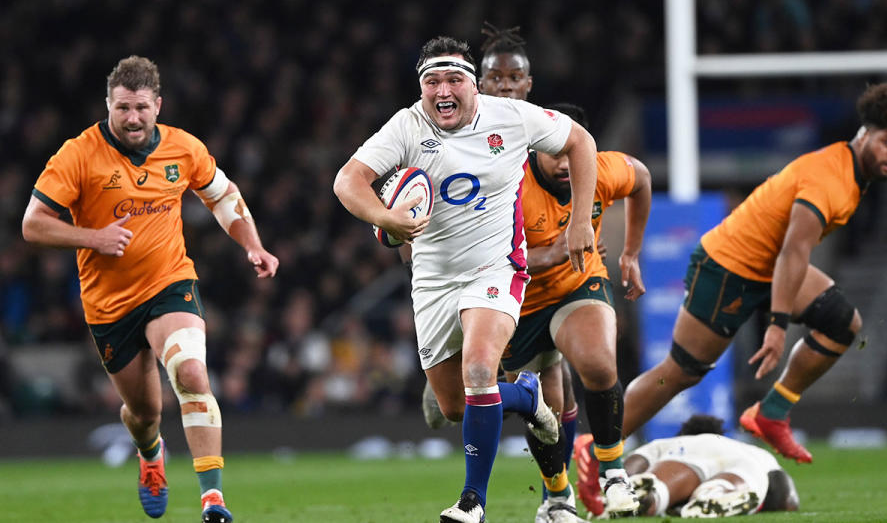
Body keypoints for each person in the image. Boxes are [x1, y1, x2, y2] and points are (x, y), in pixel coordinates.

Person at [333, 35, 598, 523]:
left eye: (454, 79)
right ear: (421, 87)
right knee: (455, 406)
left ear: (473, 84)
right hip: (432, 279)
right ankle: (527, 394)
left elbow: (581, 142)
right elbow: (347, 181)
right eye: (432, 81)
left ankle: (473, 502)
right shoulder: (407, 125)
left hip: (495, 267)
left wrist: (580, 221)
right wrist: (386, 219)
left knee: (480, 369)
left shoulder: (511, 117)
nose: (443, 90)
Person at [605, 83, 887, 466]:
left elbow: (788, 254)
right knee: (680, 372)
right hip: (728, 266)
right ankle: (600, 446)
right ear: (864, 134)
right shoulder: (830, 180)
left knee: (841, 323)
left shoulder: (851, 172)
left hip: (766, 265)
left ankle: (771, 413)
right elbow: (795, 251)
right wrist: (777, 327)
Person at [22, 56, 279, 522]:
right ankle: (150, 453)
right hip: (109, 306)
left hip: (169, 284)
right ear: (108, 105)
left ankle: (212, 500)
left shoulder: (183, 148)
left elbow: (223, 196)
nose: (133, 118)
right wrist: (93, 237)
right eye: (122, 108)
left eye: (141, 107)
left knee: (192, 374)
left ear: (157, 105)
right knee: (144, 414)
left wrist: (252, 245)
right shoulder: (78, 154)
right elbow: (33, 225)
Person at [493, 101, 650, 522]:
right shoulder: (509, 184)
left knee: (599, 365)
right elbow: (493, 256)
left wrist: (631, 252)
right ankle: (557, 498)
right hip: (518, 302)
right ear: (534, 148)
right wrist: (554, 251)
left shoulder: (599, 168)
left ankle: (614, 473)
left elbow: (643, 181)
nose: (565, 164)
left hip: (578, 286)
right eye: (555, 153)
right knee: (543, 411)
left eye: (571, 153)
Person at [576, 415, 799, 518]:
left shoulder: (672, 443)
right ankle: (719, 491)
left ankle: (650, 492)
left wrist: (615, 486)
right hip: (745, 464)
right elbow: (785, 494)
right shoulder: (750, 451)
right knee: (741, 480)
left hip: (683, 455)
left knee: (659, 487)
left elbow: (635, 462)